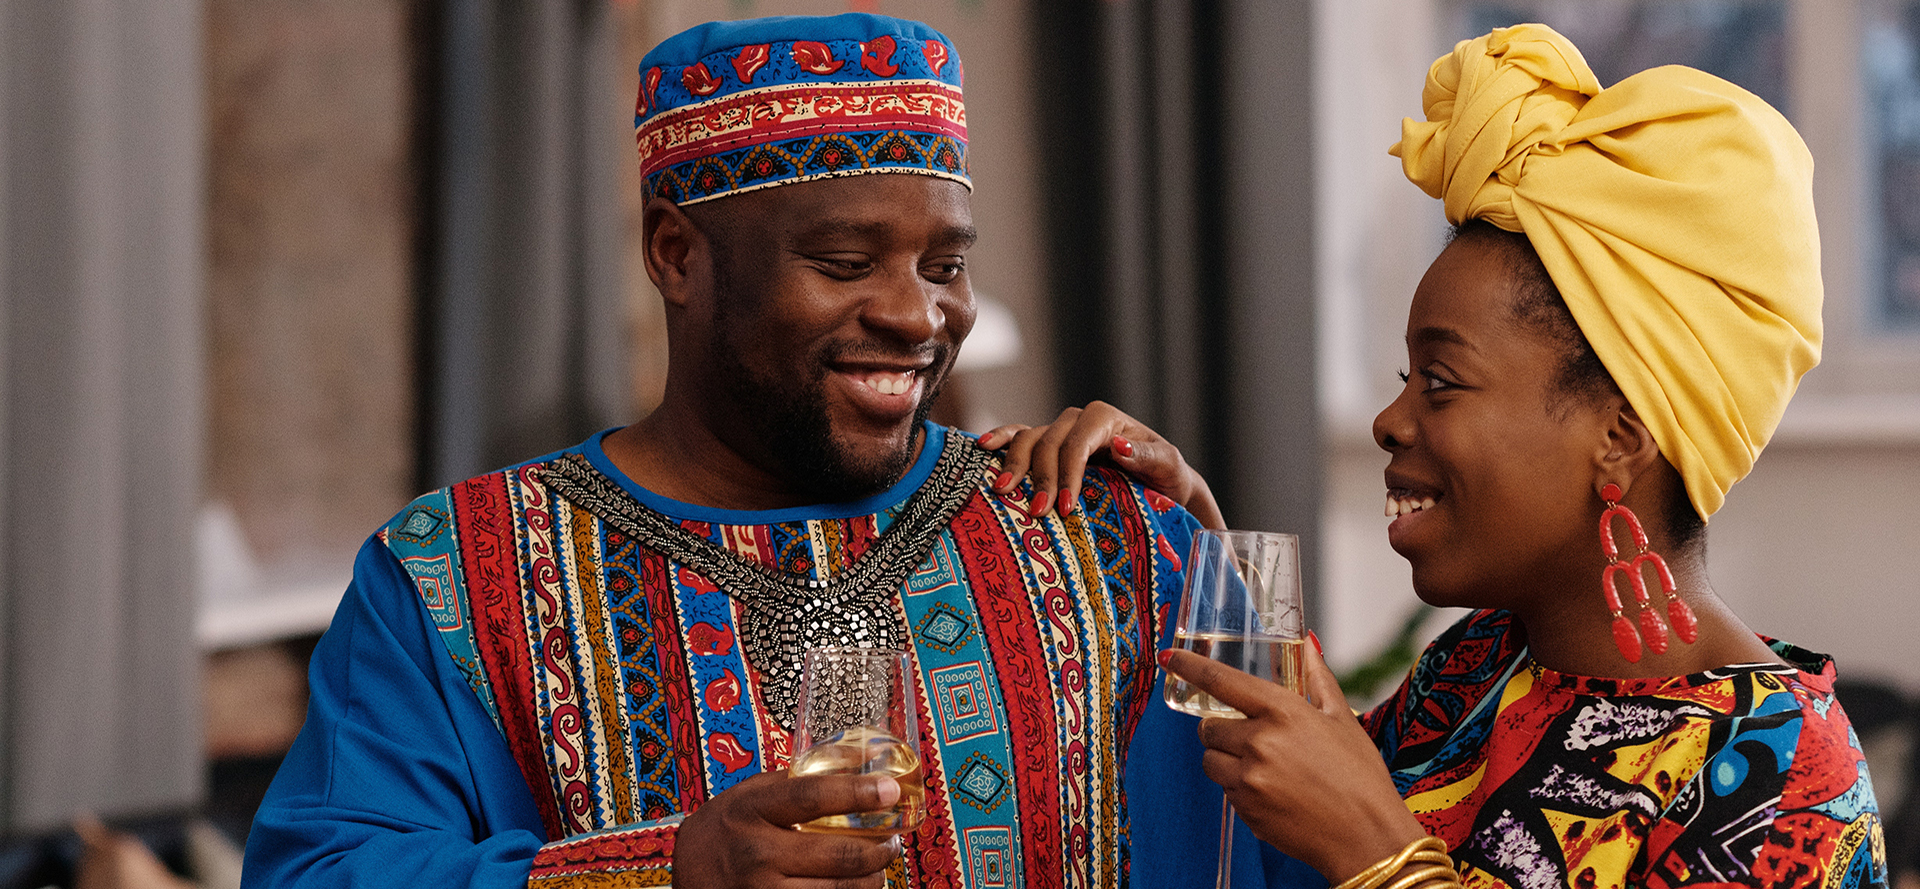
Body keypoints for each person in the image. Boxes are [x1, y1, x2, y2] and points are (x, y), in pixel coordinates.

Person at [240, 13, 1313, 889]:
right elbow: (325, 870)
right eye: (846, 261)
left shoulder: (1096, 532)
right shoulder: (455, 576)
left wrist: (1213, 562)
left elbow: (1293, 841)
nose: (915, 315)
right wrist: (671, 871)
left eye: (945, 264)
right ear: (677, 256)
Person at [1000, 22, 1889, 889]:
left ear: (1619, 436)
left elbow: (1351, 832)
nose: (1391, 420)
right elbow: (1294, 822)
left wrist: (1383, 858)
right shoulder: (1479, 666)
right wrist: (1193, 537)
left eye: (1443, 381)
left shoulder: (1784, 776)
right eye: (1402, 375)